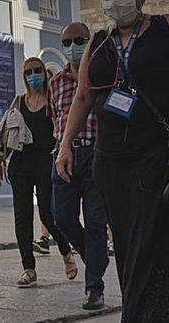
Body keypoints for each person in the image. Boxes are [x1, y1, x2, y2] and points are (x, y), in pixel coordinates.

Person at [57, 0, 169, 322]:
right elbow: (82, 98)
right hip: (113, 160)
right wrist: (65, 144)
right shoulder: (99, 43)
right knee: (130, 243)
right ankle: (140, 313)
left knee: (167, 238)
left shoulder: (165, 28)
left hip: (159, 154)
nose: (115, 2)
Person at [0, 57, 77, 288]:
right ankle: (28, 269)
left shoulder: (53, 101)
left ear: (44, 72)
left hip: (45, 161)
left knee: (48, 214)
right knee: (22, 217)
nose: (33, 75)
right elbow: (4, 132)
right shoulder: (18, 102)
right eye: (29, 72)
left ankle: (65, 250)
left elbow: (64, 129)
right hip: (20, 163)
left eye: (37, 70)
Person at [49, 21, 109, 311]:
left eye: (79, 40)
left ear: (89, 42)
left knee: (96, 221)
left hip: (96, 155)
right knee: (62, 219)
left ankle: (93, 287)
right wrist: (61, 149)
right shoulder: (55, 82)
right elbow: (55, 121)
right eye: (67, 42)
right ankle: (96, 258)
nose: (72, 47)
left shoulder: (101, 76)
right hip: (64, 155)